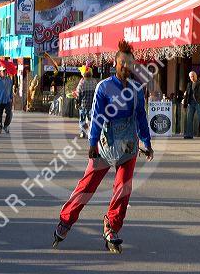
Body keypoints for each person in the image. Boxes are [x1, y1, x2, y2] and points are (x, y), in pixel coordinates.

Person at [53, 40, 154, 253]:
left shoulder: (137, 90)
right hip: (104, 145)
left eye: (130, 64)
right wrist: (92, 142)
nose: (126, 67)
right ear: (115, 63)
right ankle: (66, 220)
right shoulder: (104, 87)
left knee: (123, 188)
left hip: (128, 146)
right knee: (87, 186)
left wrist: (147, 141)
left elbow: (141, 117)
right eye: (123, 63)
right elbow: (97, 116)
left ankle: (112, 227)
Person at [183, 71, 200, 139]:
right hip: (191, 103)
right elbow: (187, 95)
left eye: (193, 76)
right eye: (190, 76)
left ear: (196, 76)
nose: (192, 78)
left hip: (199, 102)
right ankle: (189, 134)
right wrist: (185, 104)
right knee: (189, 119)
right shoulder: (189, 84)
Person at [76, 62, 98, 138]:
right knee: (91, 120)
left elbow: (78, 94)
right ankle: (90, 132)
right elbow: (97, 93)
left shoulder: (82, 82)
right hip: (92, 105)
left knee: (82, 119)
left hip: (83, 104)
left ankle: (82, 132)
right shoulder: (94, 81)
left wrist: (77, 102)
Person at [0, 66, 13, 134]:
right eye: (3, 71)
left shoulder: (9, 79)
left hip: (7, 100)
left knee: (9, 113)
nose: (4, 72)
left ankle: (6, 125)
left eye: (5, 71)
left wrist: (11, 97)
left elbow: (11, 89)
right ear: (0, 72)